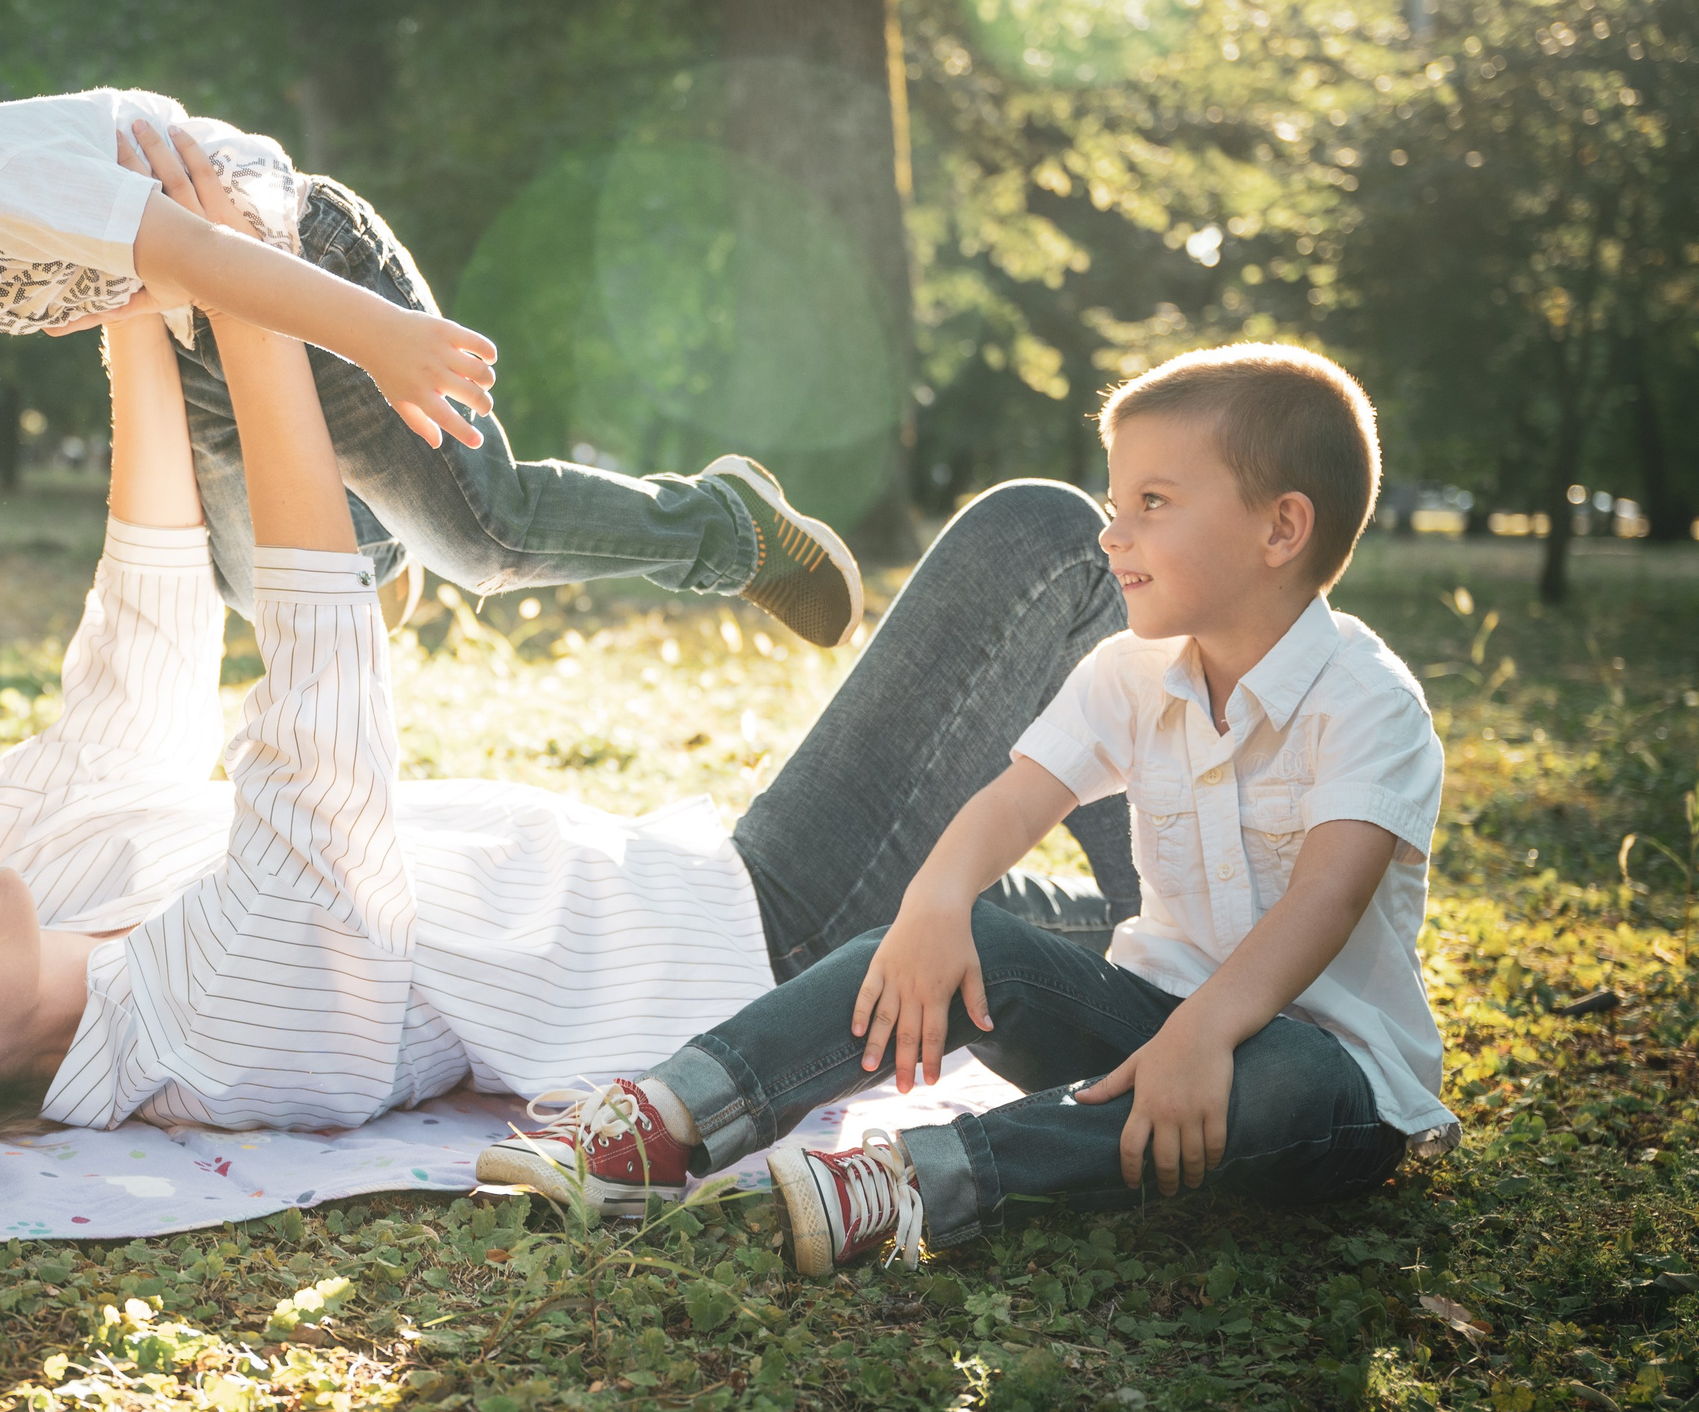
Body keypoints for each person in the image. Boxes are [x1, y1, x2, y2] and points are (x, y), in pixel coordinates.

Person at [0, 144, 1136, 1171]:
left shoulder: (38, 866)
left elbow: (153, 601)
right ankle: (1193, 967)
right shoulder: (219, 1032)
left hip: (695, 869)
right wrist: (242, 276)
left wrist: (128, 294)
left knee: (1095, 940)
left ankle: (1180, 947)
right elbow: (320, 657)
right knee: (1048, 540)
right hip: (770, 944)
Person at [481, 345, 1461, 1275]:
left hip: (1321, 1082)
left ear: (1279, 528)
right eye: (1115, 502)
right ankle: (663, 1117)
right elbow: (1016, 795)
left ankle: (912, 1179)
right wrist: (937, 902)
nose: (1111, 533)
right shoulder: (1129, 672)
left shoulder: (1366, 700)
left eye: (1152, 503)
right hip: (1145, 1022)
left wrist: (1205, 1036)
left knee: (1285, 1066)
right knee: (965, 933)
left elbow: (1323, 902)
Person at [0, 61, 861, 648]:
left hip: (298, 269)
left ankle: (726, 528)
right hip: (203, 320)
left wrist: (385, 338)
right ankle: (368, 556)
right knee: (266, 586)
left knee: (486, 538)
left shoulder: (5, 183)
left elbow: (210, 258)